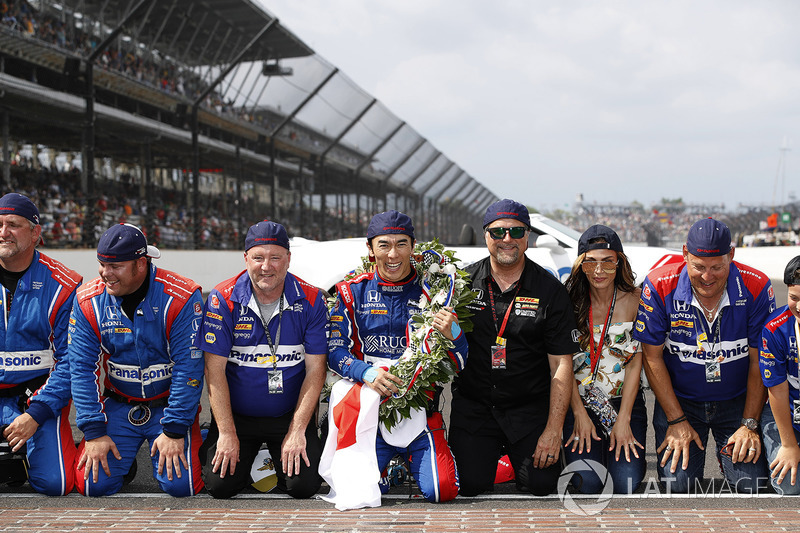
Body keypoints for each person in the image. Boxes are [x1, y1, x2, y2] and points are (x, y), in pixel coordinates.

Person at [325, 210, 468, 504]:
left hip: (420, 414)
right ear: (370, 249)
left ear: (413, 246)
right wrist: (366, 373)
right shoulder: (351, 291)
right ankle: (391, 468)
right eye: (384, 245)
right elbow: (335, 352)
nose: (393, 254)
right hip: (369, 415)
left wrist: (455, 334)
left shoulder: (435, 290)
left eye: (401, 244)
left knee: (442, 490)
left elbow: (459, 363)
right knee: (357, 490)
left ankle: (413, 458)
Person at [449, 199, 579, 496]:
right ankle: (493, 459)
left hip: (528, 410)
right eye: (498, 233)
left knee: (543, 486)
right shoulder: (461, 286)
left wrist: (553, 430)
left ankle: (512, 459)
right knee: (469, 485)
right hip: (476, 408)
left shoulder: (550, 291)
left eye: (516, 232)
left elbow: (561, 365)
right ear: (486, 236)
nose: (507, 239)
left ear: (527, 238)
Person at [634, 217, 773, 493]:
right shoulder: (659, 285)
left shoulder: (757, 286)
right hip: (681, 402)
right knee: (679, 486)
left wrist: (749, 424)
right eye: (698, 267)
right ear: (684, 253)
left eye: (717, 267)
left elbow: (760, 361)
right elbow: (651, 357)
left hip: (737, 401)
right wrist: (675, 420)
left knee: (751, 485)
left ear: (731, 255)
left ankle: (728, 456)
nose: (708, 277)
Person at [69, 223, 205, 496]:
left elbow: (189, 368)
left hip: (169, 407)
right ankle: (124, 461)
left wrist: (176, 429)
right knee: (91, 485)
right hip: (118, 405)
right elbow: (81, 369)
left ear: (141, 264)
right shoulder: (87, 301)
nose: (105, 274)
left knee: (182, 486)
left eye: (115, 266)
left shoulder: (182, 297)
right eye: (102, 264)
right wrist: (94, 431)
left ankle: (201, 437)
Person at [198, 221, 327, 499]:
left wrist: (297, 431)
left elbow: (316, 370)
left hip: (288, 416)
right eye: (258, 257)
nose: (266, 266)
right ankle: (235, 444)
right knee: (220, 487)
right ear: (246, 259)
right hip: (237, 417)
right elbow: (214, 371)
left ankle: (272, 452)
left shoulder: (313, 299)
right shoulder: (223, 298)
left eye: (275, 257)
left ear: (288, 260)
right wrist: (227, 433)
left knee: (303, 487)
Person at [0, 193, 81, 495]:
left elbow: (72, 363)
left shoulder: (64, 285)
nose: (3, 232)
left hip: (35, 397)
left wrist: (35, 414)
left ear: (35, 232)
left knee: (56, 483)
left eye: (13, 225)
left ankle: (34, 447)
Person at [563, 225, 646, 494]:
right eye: (590, 263)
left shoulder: (636, 300)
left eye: (607, 262)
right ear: (580, 265)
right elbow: (562, 362)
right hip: (580, 405)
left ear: (619, 262)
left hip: (624, 405)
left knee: (626, 484)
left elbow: (635, 362)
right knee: (587, 484)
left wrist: (624, 419)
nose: (599, 271)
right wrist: (577, 413)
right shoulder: (568, 303)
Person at [759, 256, 800, 494]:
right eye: (794, 298)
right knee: (789, 486)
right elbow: (776, 388)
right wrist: (788, 444)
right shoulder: (774, 329)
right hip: (785, 409)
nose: (799, 307)